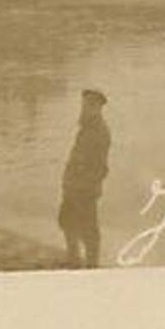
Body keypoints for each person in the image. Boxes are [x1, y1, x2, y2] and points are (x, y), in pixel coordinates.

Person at [58, 88, 111, 268]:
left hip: (84, 187)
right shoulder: (87, 127)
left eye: (89, 105)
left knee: (88, 228)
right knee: (67, 222)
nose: (84, 109)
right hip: (74, 184)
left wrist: (86, 186)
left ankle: (91, 265)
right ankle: (74, 259)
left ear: (97, 107)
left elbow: (100, 166)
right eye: (84, 105)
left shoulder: (99, 131)